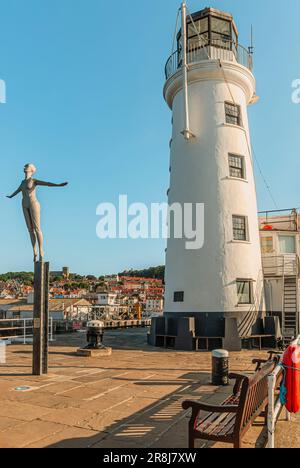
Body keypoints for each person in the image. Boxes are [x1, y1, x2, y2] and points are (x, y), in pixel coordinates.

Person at [7, 163, 68, 262]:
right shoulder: (22, 182)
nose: (24, 167)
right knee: (30, 229)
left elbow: (47, 183)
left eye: (26, 166)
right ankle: (34, 251)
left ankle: (41, 250)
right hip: (24, 204)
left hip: (33, 204)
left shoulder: (33, 180)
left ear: (31, 169)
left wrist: (58, 185)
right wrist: (10, 196)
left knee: (37, 228)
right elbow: (18, 190)